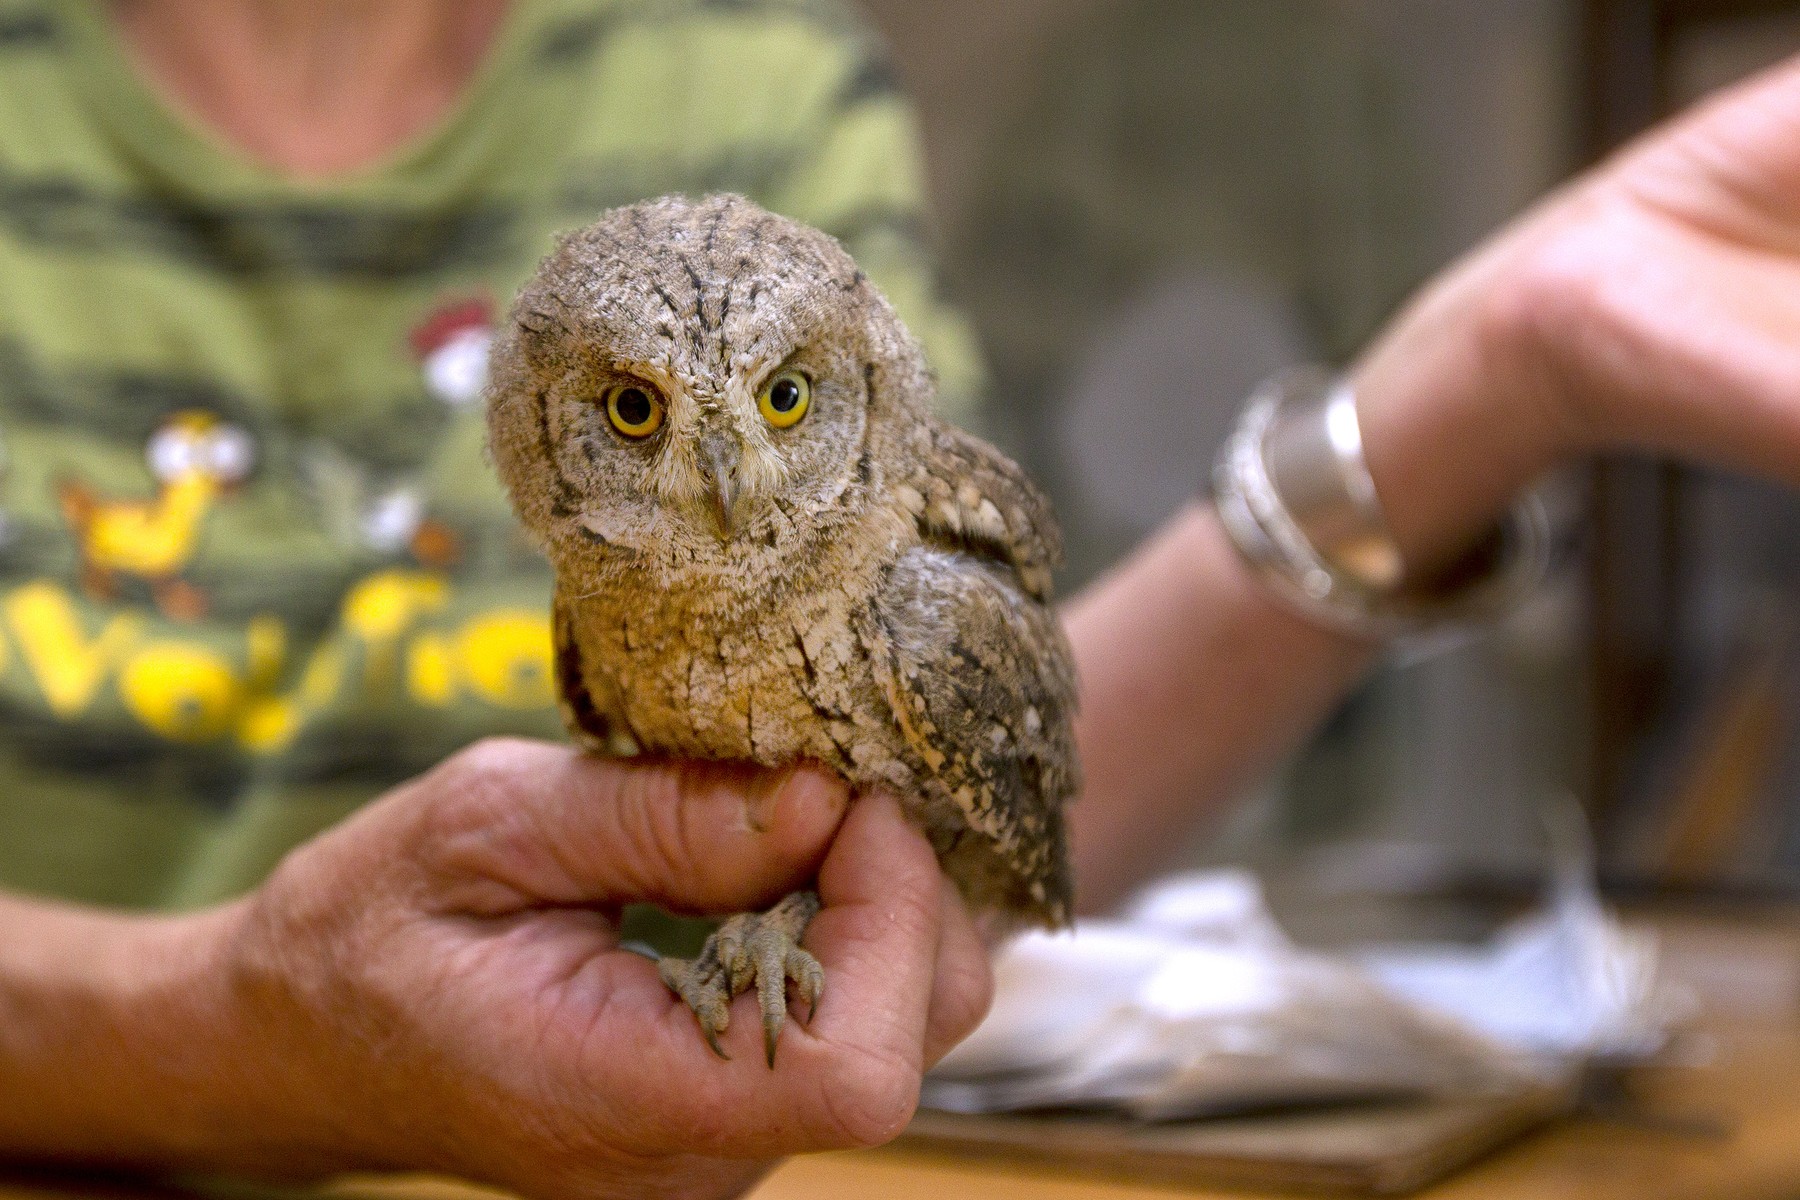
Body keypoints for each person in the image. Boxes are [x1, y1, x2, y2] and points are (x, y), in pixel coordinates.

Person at [3, 1, 1800, 1197]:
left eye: (790, 402)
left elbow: (989, 775)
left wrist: (1495, 369)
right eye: (630, 415)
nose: (725, 477)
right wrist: (233, 1017)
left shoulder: (746, 60)